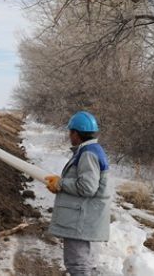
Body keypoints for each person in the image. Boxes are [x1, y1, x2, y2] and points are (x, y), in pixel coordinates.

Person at [45, 111, 110, 276]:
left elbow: (87, 187)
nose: (69, 136)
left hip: (80, 219)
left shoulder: (88, 153)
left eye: (70, 132)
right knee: (81, 262)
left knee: (77, 264)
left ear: (76, 133)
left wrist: (60, 184)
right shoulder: (90, 150)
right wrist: (60, 184)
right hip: (81, 216)